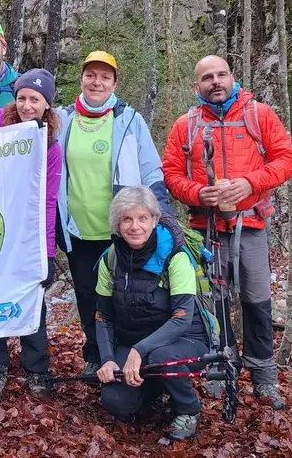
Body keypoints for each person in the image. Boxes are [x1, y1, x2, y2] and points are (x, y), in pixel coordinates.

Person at [160, 54, 292, 410]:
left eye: (221, 74)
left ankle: (264, 377)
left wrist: (249, 183)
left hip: (249, 225)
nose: (215, 81)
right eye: (207, 77)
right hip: (204, 229)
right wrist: (197, 193)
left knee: (257, 302)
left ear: (232, 77)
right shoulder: (185, 125)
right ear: (197, 86)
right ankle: (220, 369)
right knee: (211, 303)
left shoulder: (259, 115)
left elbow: (286, 160)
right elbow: (172, 174)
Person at [55, 50, 177, 377]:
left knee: (123, 296)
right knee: (87, 296)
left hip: (123, 230)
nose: (97, 82)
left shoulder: (129, 119)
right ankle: (96, 356)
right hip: (78, 229)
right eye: (91, 75)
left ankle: (126, 356)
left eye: (104, 77)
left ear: (114, 82)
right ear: (81, 78)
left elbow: (152, 171)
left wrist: (162, 216)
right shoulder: (62, 119)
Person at [94, 186, 209, 441]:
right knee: (116, 403)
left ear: (154, 220)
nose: (135, 226)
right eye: (127, 219)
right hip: (134, 339)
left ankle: (188, 409)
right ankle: (155, 383)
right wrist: (108, 358)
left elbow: (182, 317)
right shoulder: (110, 260)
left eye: (142, 218)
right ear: (117, 224)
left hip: (184, 340)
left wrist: (139, 351)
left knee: (160, 354)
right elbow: (103, 316)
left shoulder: (175, 257)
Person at [0, 68, 62, 401]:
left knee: (32, 300)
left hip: (28, 232)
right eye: (22, 97)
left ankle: (37, 369)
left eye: (35, 100)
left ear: (47, 105)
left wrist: (47, 251)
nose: (27, 105)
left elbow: (48, 199)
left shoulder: (51, 143)